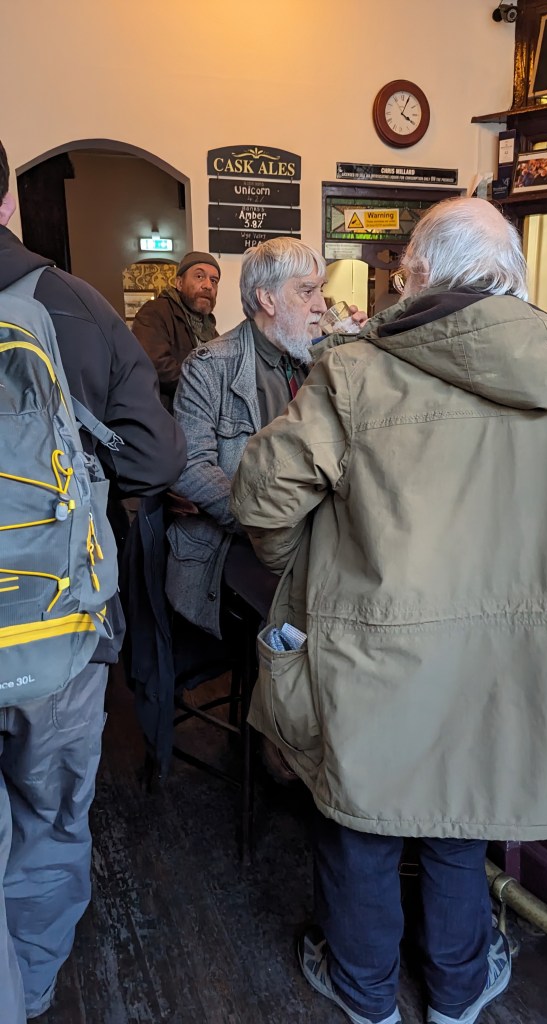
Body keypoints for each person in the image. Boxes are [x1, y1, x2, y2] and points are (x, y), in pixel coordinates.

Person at [230, 196, 547, 1024]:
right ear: (512, 274)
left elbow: (261, 497)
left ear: (416, 274)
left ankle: (364, 991)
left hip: (376, 647)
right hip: (515, 659)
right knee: (464, 817)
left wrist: (302, 564)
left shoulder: (354, 372)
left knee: (362, 824)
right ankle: (458, 991)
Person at [0, 140, 186, 1024]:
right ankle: (34, 988)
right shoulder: (72, 302)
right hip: (56, 630)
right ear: (7, 202)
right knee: (49, 819)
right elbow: (154, 458)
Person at [166, 235, 366, 639]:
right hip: (233, 544)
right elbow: (191, 468)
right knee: (312, 614)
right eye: (307, 291)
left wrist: (357, 352)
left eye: (321, 290)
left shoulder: (316, 359)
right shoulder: (208, 366)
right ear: (267, 299)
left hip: (309, 540)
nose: (321, 305)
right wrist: (270, 525)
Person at [131, 250, 220, 411]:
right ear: (179, 283)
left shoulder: (209, 327)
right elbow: (156, 365)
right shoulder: (156, 311)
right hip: (165, 418)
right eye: (199, 276)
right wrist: (208, 386)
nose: (208, 285)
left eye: (214, 280)